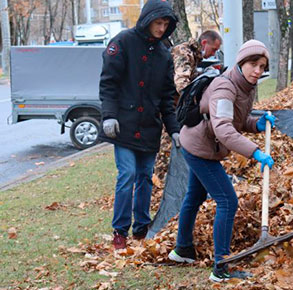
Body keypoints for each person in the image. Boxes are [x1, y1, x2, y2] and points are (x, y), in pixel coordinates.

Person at [167, 40, 275, 282]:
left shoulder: (247, 86)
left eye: (262, 66)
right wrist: (255, 152)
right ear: (241, 62)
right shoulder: (224, 88)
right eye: (253, 64)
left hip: (203, 144)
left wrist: (254, 125)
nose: (257, 71)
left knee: (194, 197)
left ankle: (182, 250)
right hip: (199, 148)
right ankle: (221, 267)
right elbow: (224, 129)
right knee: (228, 201)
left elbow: (236, 119)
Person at [98, 0, 181, 250]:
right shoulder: (122, 42)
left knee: (145, 177)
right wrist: (109, 116)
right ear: (147, 20)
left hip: (149, 128)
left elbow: (167, 97)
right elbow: (108, 83)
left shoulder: (165, 54)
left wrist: (174, 129)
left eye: (165, 24)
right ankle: (120, 231)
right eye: (158, 22)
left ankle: (141, 227)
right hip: (123, 124)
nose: (161, 28)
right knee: (127, 175)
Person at [172, 30, 222, 95]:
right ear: (204, 43)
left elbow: (191, 75)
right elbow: (181, 82)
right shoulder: (184, 52)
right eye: (213, 49)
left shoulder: (194, 54)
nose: (213, 54)